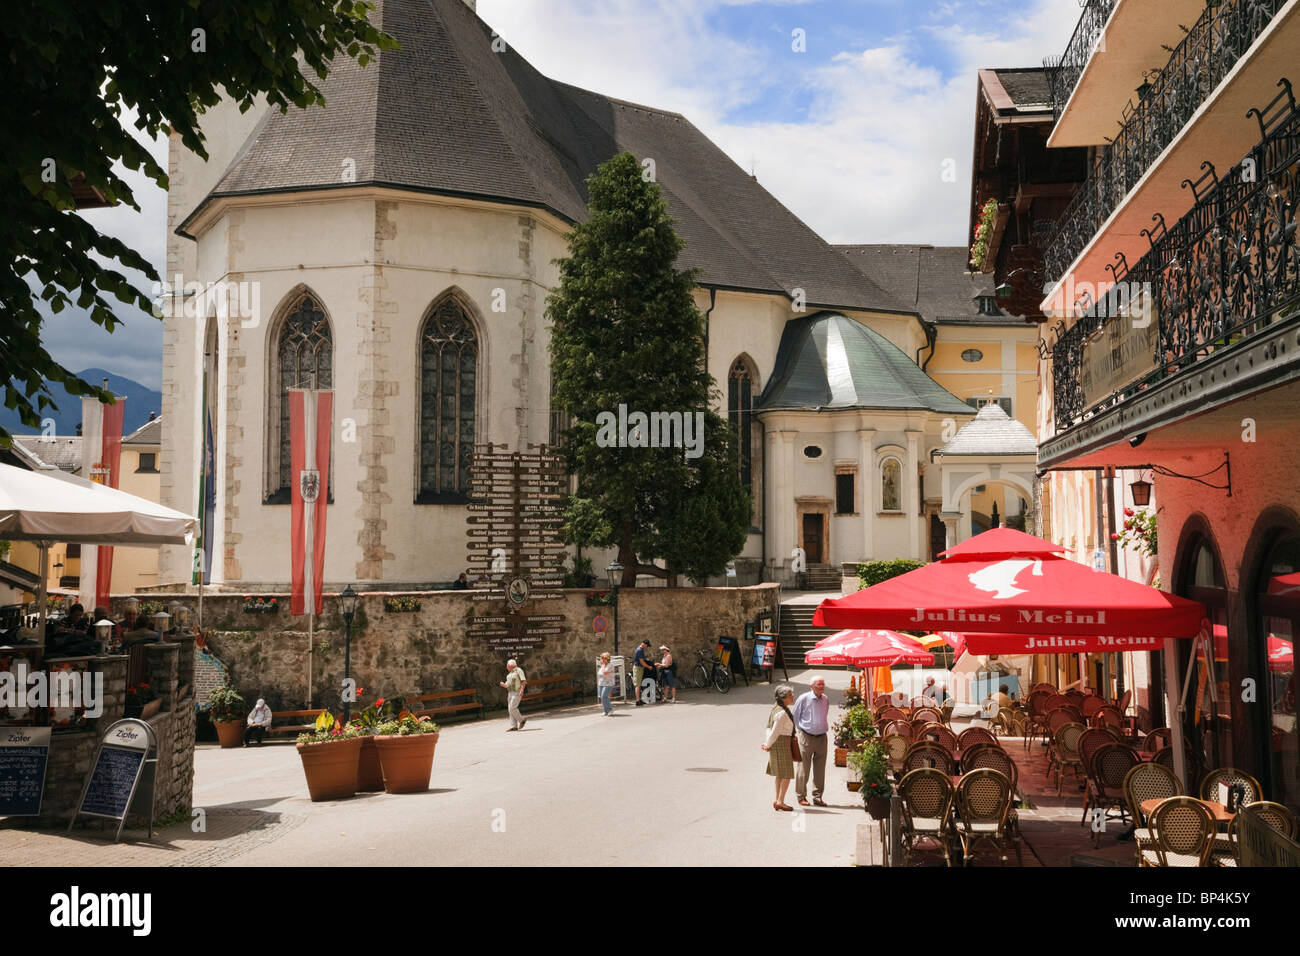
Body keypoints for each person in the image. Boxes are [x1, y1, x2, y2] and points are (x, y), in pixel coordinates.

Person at [792, 678, 830, 807]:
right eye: (819, 684)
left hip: (822, 737)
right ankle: (801, 796)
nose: (821, 686)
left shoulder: (825, 699)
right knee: (804, 768)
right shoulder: (803, 698)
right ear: (812, 686)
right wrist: (801, 731)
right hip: (806, 736)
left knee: (820, 769)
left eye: (823, 684)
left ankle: (817, 797)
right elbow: (795, 716)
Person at [762, 685, 798, 811]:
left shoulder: (775, 709)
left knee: (780, 774)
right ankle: (780, 801)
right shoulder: (782, 712)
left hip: (777, 743)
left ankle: (778, 799)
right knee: (787, 774)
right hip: (781, 742)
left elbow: (768, 728)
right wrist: (768, 744)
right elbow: (775, 731)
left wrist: (768, 743)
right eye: (790, 695)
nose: (793, 697)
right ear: (783, 698)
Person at [499, 659, 528, 731]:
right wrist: (503, 685)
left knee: (512, 707)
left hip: (517, 692)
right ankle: (514, 727)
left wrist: (522, 690)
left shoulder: (518, 670)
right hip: (510, 693)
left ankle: (522, 720)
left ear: (511, 665)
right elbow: (507, 685)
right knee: (510, 709)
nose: (506, 667)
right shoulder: (509, 675)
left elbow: (523, 680)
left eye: (507, 665)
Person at [632, 639, 653, 706]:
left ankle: (639, 699)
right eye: (647, 646)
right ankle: (637, 701)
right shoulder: (639, 650)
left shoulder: (640, 649)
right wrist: (648, 667)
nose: (647, 647)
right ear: (645, 644)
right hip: (638, 668)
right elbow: (641, 661)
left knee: (639, 684)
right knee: (638, 685)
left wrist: (647, 660)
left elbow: (642, 659)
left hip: (639, 668)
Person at [596, 651, 617, 716]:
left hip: (608, 683)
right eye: (601, 658)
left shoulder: (610, 665)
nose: (602, 660)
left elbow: (605, 672)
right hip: (602, 683)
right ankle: (605, 710)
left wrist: (602, 665)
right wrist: (602, 665)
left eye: (603, 658)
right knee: (602, 697)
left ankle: (610, 710)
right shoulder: (603, 665)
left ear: (607, 659)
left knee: (604, 696)